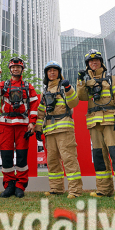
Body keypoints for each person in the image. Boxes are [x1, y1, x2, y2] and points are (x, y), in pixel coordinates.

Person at [77, 49, 115, 201]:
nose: (94, 63)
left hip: (109, 120)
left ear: (101, 62)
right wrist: (80, 81)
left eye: (97, 60)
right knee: (99, 157)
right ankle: (104, 189)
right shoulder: (86, 82)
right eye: (90, 61)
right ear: (88, 64)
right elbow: (81, 97)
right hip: (94, 123)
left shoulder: (111, 78)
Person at [0, 57, 40, 198]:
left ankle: (20, 186)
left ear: (22, 69)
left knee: (22, 158)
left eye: (18, 67)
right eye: (13, 67)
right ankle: (9, 184)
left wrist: (32, 122)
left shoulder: (28, 86)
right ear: (10, 69)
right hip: (6, 125)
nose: (15, 69)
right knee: (6, 158)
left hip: (23, 125)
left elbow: (34, 105)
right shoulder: (3, 84)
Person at [34, 61, 83, 198]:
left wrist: (68, 88)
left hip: (64, 129)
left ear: (59, 73)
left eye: (55, 70)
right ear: (46, 74)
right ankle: (56, 188)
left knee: (69, 160)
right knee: (52, 161)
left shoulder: (64, 87)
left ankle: (75, 190)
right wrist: (38, 128)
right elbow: (41, 112)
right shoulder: (45, 92)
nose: (52, 72)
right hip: (49, 131)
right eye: (49, 71)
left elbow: (74, 103)